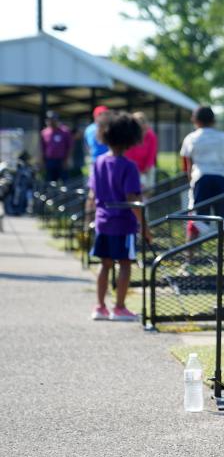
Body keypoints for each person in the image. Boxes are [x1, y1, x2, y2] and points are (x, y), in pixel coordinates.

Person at [85, 111, 153, 321]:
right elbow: (132, 198)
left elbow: (92, 194)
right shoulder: (129, 166)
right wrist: (145, 226)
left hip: (103, 221)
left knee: (104, 265)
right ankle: (120, 307)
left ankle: (100, 307)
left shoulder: (98, 163)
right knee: (124, 264)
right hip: (123, 223)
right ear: (129, 139)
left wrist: (89, 218)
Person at [179, 105, 224, 272]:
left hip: (201, 180)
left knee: (195, 219)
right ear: (212, 120)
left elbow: (188, 166)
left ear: (195, 120)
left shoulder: (191, 138)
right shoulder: (223, 137)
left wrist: (191, 183)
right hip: (221, 180)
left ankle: (189, 263)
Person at [126, 112, 159, 193]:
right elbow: (128, 154)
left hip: (146, 170)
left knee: (146, 193)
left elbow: (151, 155)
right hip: (132, 170)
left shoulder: (151, 135)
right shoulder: (130, 135)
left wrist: (143, 172)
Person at [40, 111, 72, 182]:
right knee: (50, 183)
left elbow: (69, 147)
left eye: (52, 119)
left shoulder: (65, 131)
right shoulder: (44, 132)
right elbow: (42, 149)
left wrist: (66, 160)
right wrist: (43, 162)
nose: (51, 121)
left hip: (62, 161)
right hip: (49, 161)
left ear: (56, 119)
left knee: (65, 183)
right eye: (49, 119)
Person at [83, 105, 111, 173]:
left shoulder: (111, 127)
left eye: (106, 114)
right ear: (95, 116)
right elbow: (86, 146)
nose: (103, 116)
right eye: (100, 114)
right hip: (95, 162)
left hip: (110, 162)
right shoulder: (89, 129)